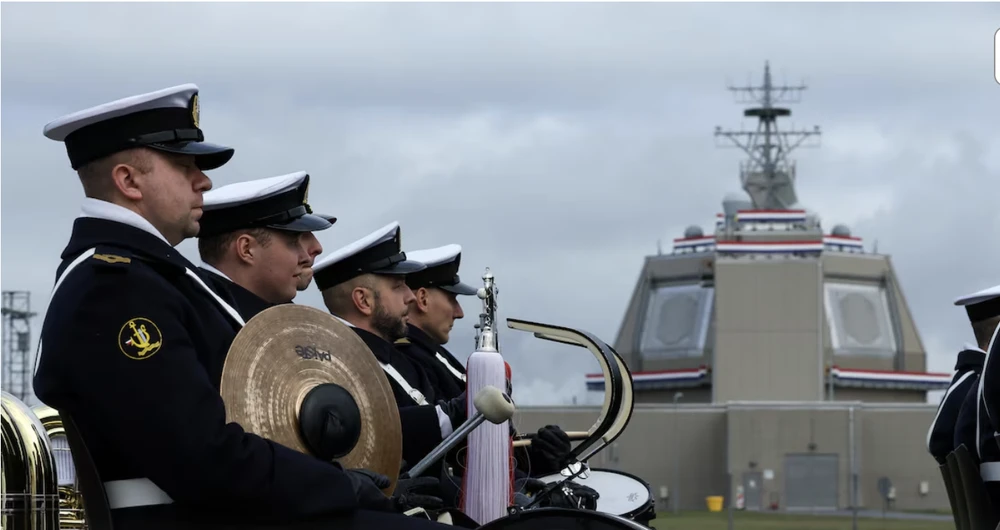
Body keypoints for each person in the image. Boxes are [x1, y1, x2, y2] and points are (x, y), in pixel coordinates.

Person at [31, 84, 454, 530]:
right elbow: (200, 456)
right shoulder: (114, 286)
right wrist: (340, 486)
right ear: (128, 181)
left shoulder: (149, 277)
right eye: (184, 165)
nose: (205, 181)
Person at [397, 244, 573, 478]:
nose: (459, 312)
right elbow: (450, 453)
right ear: (422, 298)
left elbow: (487, 446)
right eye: (452, 298)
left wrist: (539, 455)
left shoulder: (433, 355)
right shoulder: (409, 358)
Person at [310, 222, 470, 473]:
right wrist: (463, 410)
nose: (410, 296)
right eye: (398, 287)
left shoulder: (398, 359)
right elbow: (374, 432)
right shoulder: (336, 365)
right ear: (364, 300)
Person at [195, 171, 333, 320]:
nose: (317, 248)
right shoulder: (196, 314)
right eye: (293, 240)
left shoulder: (281, 316)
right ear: (247, 249)